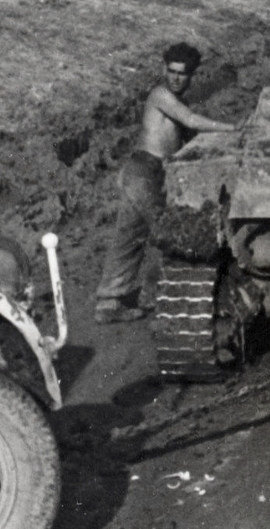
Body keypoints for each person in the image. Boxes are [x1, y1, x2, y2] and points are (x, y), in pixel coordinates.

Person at [95, 43, 238, 324]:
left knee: (130, 237)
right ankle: (172, 301)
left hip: (151, 172)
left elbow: (189, 140)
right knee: (173, 234)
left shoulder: (175, 102)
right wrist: (233, 129)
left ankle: (108, 301)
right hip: (144, 170)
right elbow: (192, 120)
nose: (175, 78)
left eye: (182, 74)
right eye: (171, 72)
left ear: (191, 76)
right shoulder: (160, 95)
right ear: (164, 70)